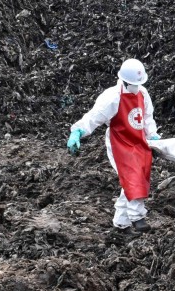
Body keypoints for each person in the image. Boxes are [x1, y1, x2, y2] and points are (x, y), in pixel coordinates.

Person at [66, 58, 160, 231]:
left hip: (138, 140)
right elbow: (94, 117)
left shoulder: (143, 93)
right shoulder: (112, 97)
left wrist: (152, 135)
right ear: (124, 80)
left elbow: (147, 117)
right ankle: (137, 217)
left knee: (140, 174)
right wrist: (78, 131)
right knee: (132, 176)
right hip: (120, 142)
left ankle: (121, 223)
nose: (135, 86)